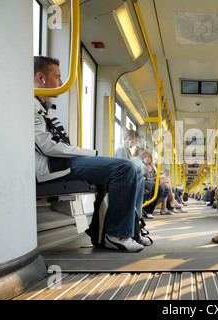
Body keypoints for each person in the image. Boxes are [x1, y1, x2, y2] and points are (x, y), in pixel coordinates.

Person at [34, 56, 149, 252]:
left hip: (62, 163)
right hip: (52, 167)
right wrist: (88, 154)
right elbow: (47, 147)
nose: (61, 83)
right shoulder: (31, 107)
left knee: (136, 172)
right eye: (57, 77)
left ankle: (131, 229)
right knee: (125, 167)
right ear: (41, 78)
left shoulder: (46, 110)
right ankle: (116, 234)